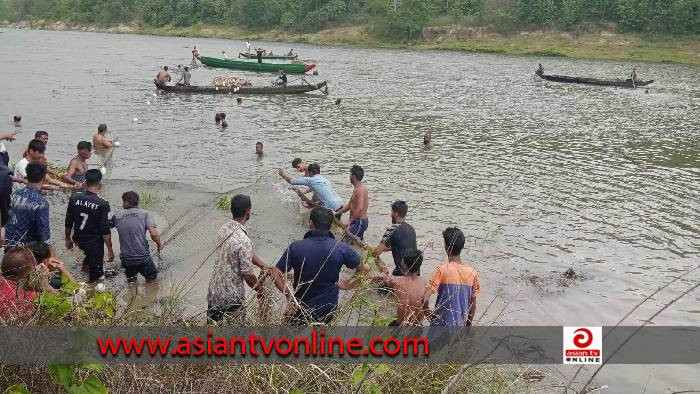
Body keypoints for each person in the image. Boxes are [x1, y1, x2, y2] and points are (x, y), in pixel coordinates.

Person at [271, 207, 365, 325]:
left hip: (301, 306)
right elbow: (362, 270)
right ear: (331, 225)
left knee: (288, 335)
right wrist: (349, 285)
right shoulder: (341, 247)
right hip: (328, 308)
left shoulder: (296, 247)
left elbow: (275, 273)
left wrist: (290, 297)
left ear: (310, 223)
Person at [207, 195, 269, 323]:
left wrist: (262, 265)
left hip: (214, 290)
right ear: (248, 213)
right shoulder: (244, 240)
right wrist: (261, 290)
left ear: (232, 210)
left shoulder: (223, 229)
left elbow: (244, 254)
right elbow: (247, 275)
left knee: (212, 332)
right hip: (232, 297)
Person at [423, 227, 480, 326]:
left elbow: (424, 299)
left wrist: (430, 315)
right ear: (462, 247)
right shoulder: (472, 273)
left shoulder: (441, 270)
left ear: (446, 247)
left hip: (439, 329)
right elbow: (473, 306)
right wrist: (468, 328)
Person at [64, 169, 114, 283]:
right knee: (97, 277)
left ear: (85, 182)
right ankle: (90, 290)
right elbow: (105, 229)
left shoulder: (74, 197)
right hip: (93, 243)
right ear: (100, 184)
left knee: (89, 256)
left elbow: (68, 220)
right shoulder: (103, 204)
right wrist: (110, 249)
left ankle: (85, 268)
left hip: (78, 239)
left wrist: (67, 239)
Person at [110, 191, 163, 283]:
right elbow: (153, 233)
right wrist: (159, 244)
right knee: (152, 281)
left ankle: (132, 295)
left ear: (126, 202)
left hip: (126, 259)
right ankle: (148, 296)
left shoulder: (117, 215)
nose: (123, 204)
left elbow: (105, 228)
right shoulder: (145, 213)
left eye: (123, 202)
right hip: (143, 258)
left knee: (131, 283)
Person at [4, 162, 51, 250]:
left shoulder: (14, 195)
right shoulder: (41, 203)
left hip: (8, 245)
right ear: (44, 179)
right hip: (26, 252)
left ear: (27, 176)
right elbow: (44, 236)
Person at [0, 247, 56, 318]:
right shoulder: (27, 297)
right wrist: (44, 283)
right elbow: (62, 304)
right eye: (34, 265)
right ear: (29, 271)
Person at [376, 249, 427, 325]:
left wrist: (382, 274)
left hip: (400, 325)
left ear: (405, 265)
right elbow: (425, 305)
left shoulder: (396, 281)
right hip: (417, 326)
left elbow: (385, 278)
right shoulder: (423, 282)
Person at [373, 200, 417, 276]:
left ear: (396, 214)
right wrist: (385, 249)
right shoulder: (411, 229)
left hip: (401, 273)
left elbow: (377, 252)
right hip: (415, 273)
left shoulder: (392, 228)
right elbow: (402, 246)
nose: (391, 214)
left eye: (392, 212)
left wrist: (372, 250)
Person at [278, 163, 343, 211]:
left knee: (304, 202)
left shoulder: (311, 180)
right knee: (317, 201)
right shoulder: (324, 179)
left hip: (331, 207)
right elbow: (314, 187)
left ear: (310, 172)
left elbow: (293, 181)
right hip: (340, 204)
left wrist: (283, 175)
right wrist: (304, 192)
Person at [335, 165, 369, 240]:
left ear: (353, 176)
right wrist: (336, 213)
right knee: (354, 242)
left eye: (350, 175)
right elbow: (349, 206)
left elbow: (360, 208)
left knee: (343, 240)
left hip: (359, 221)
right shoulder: (356, 189)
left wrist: (349, 221)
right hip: (355, 220)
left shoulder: (360, 190)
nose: (349, 177)